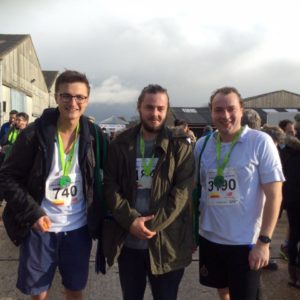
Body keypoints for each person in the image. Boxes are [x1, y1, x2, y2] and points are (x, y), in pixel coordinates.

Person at [0, 70, 106, 300]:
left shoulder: (94, 136)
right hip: (41, 228)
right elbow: (6, 177)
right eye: (66, 96)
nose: (73, 102)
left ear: (87, 100)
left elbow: (114, 170)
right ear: (56, 97)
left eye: (80, 97)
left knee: (75, 290)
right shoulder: (33, 135)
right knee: (38, 294)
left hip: (78, 230)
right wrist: (33, 213)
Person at [103, 84, 195, 300]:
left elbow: (182, 192)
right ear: (139, 108)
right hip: (129, 242)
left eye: (160, 108)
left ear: (167, 110)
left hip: (167, 243)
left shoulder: (179, 145)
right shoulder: (121, 144)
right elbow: (110, 185)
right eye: (149, 107)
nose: (155, 113)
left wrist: (150, 226)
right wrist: (132, 221)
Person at [194, 87, 284, 300]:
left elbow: (275, 195)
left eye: (231, 109)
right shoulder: (202, 144)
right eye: (218, 110)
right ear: (211, 112)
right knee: (222, 291)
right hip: (210, 237)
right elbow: (195, 189)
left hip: (245, 242)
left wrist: (264, 242)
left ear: (241, 110)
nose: (225, 115)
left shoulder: (259, 142)